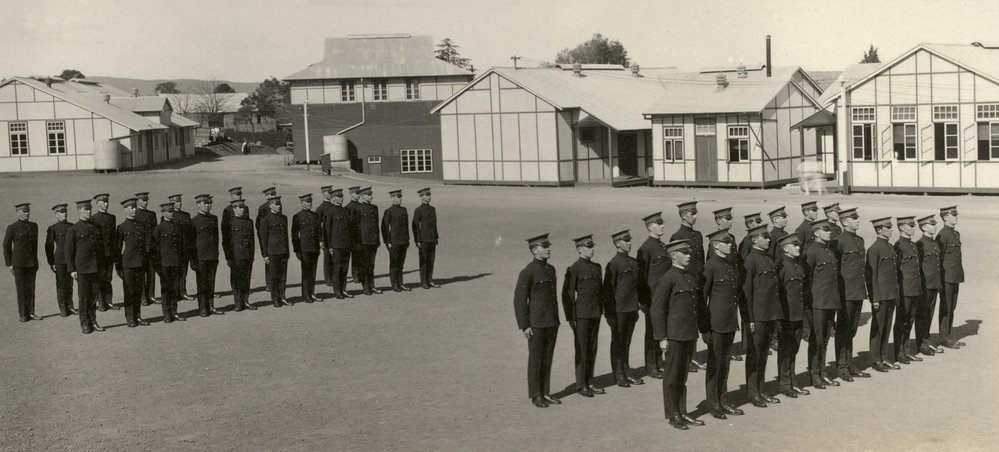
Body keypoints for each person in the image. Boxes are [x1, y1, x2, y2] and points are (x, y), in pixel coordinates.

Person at [651, 239, 704, 430]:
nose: (689, 256)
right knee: (672, 377)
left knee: (682, 376)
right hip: (675, 335)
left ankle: (683, 412)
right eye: (685, 253)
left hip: (688, 334)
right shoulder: (668, 278)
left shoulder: (689, 276)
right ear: (674, 256)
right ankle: (673, 414)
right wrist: (662, 337)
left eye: (689, 252)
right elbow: (657, 309)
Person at [700, 229, 744, 419]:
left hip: (729, 322)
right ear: (716, 245)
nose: (730, 245)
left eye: (730, 242)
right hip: (715, 324)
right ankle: (713, 403)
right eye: (726, 242)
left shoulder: (730, 265)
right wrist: (704, 328)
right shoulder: (710, 266)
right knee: (715, 364)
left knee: (725, 364)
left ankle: (723, 399)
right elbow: (702, 299)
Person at [513, 233, 560, 408]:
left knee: (548, 358)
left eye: (548, 246)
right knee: (536, 359)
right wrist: (524, 325)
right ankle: (536, 395)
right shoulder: (528, 272)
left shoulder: (551, 269)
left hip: (551, 321)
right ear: (534, 250)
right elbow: (519, 300)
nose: (548, 249)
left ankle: (546, 392)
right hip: (536, 324)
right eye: (544, 247)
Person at [742, 224, 782, 408]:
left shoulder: (768, 258)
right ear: (754, 240)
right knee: (755, 355)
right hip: (757, 316)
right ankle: (753, 392)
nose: (768, 240)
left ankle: (762, 389)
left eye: (768, 237)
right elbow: (747, 292)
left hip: (769, 314)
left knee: (764, 354)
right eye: (764, 238)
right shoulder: (751, 261)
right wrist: (749, 318)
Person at [561, 234, 604, 398]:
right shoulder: (574, 269)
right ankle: (581, 385)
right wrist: (570, 317)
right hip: (582, 315)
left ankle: (590, 381)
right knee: (582, 350)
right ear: (580, 249)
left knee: (592, 348)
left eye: (592, 247)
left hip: (595, 313)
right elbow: (568, 294)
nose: (592, 250)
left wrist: (601, 310)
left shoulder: (597, 267)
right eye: (588, 247)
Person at [602, 229, 644, 388]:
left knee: (627, 342)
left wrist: (638, 305)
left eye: (629, 240)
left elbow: (638, 286)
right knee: (618, 343)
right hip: (619, 311)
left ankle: (626, 371)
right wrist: (610, 314)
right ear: (618, 244)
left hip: (632, 309)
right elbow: (608, 291)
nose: (629, 243)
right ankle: (618, 374)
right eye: (626, 241)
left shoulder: (633, 263)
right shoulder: (613, 264)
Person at [669, 201, 707, 372]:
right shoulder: (677, 237)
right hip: (685, 284)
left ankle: (694, 356)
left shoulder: (698, 235)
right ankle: (688, 358)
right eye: (692, 214)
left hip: (698, 283)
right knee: (687, 321)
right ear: (684, 216)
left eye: (695, 213)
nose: (695, 216)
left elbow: (701, 260)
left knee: (696, 319)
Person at [804, 218, 840, 389]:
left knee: (825, 339)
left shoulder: (829, 251)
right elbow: (807, 280)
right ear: (816, 232)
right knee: (816, 339)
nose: (829, 232)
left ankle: (822, 372)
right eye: (825, 230)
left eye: (829, 230)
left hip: (830, 301)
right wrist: (809, 304)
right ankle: (814, 374)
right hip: (818, 302)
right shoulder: (811, 252)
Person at [835, 207, 871, 382]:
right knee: (843, 330)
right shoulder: (838, 242)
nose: (857, 221)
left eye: (857, 218)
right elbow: (836, 270)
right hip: (846, 292)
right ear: (844, 222)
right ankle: (842, 367)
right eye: (853, 218)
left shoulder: (859, 240)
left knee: (852, 330)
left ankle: (849, 364)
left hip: (858, 291)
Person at [775, 234, 809, 398]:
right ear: (785, 248)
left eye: (798, 245)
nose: (798, 247)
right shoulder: (781, 267)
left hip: (798, 314)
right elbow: (777, 294)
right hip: (786, 316)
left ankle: (793, 381)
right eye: (794, 245)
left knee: (794, 350)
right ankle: (785, 384)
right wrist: (780, 318)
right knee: (785, 351)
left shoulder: (799, 266)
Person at [636, 212, 669, 378]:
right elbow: (641, 276)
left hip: (664, 296)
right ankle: (651, 366)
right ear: (650, 227)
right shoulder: (645, 248)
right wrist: (643, 300)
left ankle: (660, 362)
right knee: (652, 331)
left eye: (662, 223)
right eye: (658, 224)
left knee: (662, 329)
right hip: (652, 298)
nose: (662, 226)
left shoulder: (662, 246)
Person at [65, 200, 106, 333]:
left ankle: (93, 321)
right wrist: (72, 269)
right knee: (83, 297)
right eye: (86, 209)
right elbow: (69, 251)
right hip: (82, 269)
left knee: (94, 296)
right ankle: (84, 323)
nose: (89, 212)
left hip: (95, 268)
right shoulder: (73, 229)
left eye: (90, 209)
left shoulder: (96, 227)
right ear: (79, 211)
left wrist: (102, 266)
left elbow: (100, 249)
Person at [866, 217, 900, 372]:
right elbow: (871, 276)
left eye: (891, 227)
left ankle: (884, 357)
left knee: (887, 327)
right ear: (879, 230)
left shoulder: (890, 247)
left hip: (891, 294)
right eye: (888, 228)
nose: (891, 230)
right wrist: (875, 298)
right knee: (878, 328)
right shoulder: (874, 249)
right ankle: (875, 360)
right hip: (881, 296)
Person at [114, 198, 151, 327]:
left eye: (135, 207)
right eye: (131, 208)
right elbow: (117, 249)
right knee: (129, 292)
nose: (134, 210)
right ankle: (130, 317)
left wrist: (145, 259)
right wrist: (118, 267)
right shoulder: (121, 227)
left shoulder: (142, 226)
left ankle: (138, 315)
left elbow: (146, 244)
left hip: (140, 263)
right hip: (128, 265)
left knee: (138, 291)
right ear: (125, 210)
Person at [893, 216, 923, 364]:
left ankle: (907, 351)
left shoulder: (913, 245)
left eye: (913, 225)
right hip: (905, 291)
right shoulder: (898, 246)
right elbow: (896, 272)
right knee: (901, 322)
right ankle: (899, 353)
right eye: (910, 225)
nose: (913, 228)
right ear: (901, 227)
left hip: (915, 289)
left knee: (910, 321)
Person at [4, 202, 40, 322]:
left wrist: (35, 261)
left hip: (31, 263)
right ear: (18, 213)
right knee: (21, 289)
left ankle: (31, 312)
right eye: (24, 211)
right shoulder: (12, 227)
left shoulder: (34, 226)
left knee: (31, 288)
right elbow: (6, 246)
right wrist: (9, 264)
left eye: (28, 211)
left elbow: (34, 246)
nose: (27, 213)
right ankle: (23, 314)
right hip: (19, 264)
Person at [152, 202, 186, 323]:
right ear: (163, 213)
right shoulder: (159, 228)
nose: (171, 214)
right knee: (166, 290)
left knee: (175, 288)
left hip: (176, 263)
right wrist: (158, 266)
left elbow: (181, 246)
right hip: (165, 264)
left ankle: (174, 311)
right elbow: (154, 249)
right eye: (169, 212)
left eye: (172, 212)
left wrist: (181, 262)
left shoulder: (177, 227)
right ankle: (167, 314)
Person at [936, 206, 965, 349]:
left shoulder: (955, 234)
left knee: (952, 307)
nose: (957, 216)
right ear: (946, 217)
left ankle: (948, 335)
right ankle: (944, 338)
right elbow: (939, 259)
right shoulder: (942, 235)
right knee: (946, 307)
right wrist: (940, 280)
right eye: (954, 215)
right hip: (946, 277)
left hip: (955, 276)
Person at [915, 215, 944, 356]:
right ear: (923, 227)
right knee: (922, 315)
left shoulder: (934, 243)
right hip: (925, 286)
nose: (935, 226)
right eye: (932, 224)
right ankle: (921, 343)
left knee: (929, 314)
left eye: (935, 224)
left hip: (934, 284)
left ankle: (926, 339)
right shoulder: (919, 245)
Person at [191, 194, 223, 316]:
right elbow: (191, 243)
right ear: (198, 205)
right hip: (200, 257)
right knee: (202, 284)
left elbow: (216, 237)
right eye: (205, 203)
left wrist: (216, 254)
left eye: (209, 203)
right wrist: (193, 260)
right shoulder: (194, 221)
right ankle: (203, 308)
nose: (207, 206)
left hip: (212, 256)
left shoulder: (214, 218)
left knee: (211, 283)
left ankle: (211, 305)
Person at [222, 200, 256, 312]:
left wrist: (252, 255)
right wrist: (228, 257)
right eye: (239, 208)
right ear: (234, 209)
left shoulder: (249, 222)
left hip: (247, 255)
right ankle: (238, 303)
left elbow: (252, 240)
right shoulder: (229, 223)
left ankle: (245, 301)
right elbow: (226, 242)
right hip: (236, 256)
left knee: (246, 279)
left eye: (243, 208)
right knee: (236, 280)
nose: (242, 210)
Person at [259, 195, 292, 307]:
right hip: (272, 252)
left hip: (283, 251)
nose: (279, 206)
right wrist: (265, 255)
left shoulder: (284, 218)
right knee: (274, 277)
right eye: (276, 204)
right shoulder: (266, 220)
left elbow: (285, 236)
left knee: (283, 277)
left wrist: (287, 251)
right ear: (270, 205)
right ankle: (275, 299)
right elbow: (264, 239)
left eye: (279, 204)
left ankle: (283, 297)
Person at [45, 204, 76, 317]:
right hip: (59, 261)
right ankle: (63, 308)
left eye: (65, 212)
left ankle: (70, 306)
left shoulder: (72, 226)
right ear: (56, 215)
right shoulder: (53, 228)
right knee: (61, 285)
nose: (64, 214)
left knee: (70, 284)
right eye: (62, 212)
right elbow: (49, 247)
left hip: (71, 260)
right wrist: (51, 262)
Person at [292, 193, 322, 302]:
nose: (310, 203)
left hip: (314, 247)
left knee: (313, 272)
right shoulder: (298, 216)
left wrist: (320, 242)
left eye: (310, 201)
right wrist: (297, 250)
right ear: (302, 203)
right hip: (304, 248)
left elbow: (319, 231)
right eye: (307, 202)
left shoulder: (315, 216)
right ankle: (305, 295)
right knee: (306, 272)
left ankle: (311, 292)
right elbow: (294, 235)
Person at [90, 193, 119, 311]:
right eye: (103, 202)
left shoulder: (112, 217)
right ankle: (101, 303)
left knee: (108, 278)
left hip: (110, 253)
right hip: (99, 254)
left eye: (107, 202)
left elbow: (114, 237)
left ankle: (109, 301)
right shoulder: (93, 219)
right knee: (100, 278)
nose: (106, 204)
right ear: (98, 204)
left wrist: (115, 253)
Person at [324, 189, 353, 299]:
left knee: (344, 269)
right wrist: (329, 246)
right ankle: (337, 291)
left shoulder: (345, 211)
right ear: (333, 198)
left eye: (342, 197)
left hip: (346, 244)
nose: (341, 199)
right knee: (337, 269)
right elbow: (327, 231)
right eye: (339, 197)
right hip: (336, 245)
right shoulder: (330, 212)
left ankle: (343, 289)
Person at [381, 190, 411, 292]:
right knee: (394, 264)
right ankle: (394, 284)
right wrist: (387, 241)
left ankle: (401, 283)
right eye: (398, 197)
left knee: (401, 264)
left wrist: (407, 238)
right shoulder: (389, 211)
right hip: (394, 241)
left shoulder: (404, 210)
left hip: (403, 240)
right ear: (393, 198)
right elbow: (384, 227)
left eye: (401, 196)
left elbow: (406, 226)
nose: (400, 199)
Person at [168, 194, 195, 301]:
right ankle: (175, 293)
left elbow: (191, 232)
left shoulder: (186, 215)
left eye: (180, 201)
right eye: (176, 202)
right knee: (174, 272)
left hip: (185, 248)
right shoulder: (169, 215)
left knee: (184, 271)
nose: (179, 204)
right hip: (174, 249)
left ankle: (183, 292)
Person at [412, 187, 440, 289]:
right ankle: (424, 282)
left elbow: (434, 224)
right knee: (423, 261)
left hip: (432, 238)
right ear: (422, 197)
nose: (429, 197)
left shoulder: (432, 209)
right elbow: (415, 226)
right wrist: (417, 240)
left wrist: (436, 237)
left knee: (431, 261)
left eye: (430, 194)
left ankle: (430, 280)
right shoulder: (418, 210)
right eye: (427, 195)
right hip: (423, 239)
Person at [134, 193, 159, 306]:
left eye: (146, 200)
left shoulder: (152, 214)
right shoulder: (136, 214)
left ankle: (151, 295)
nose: (145, 202)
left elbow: (155, 231)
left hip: (152, 248)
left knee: (151, 272)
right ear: (138, 201)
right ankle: (143, 296)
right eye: (143, 200)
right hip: (141, 248)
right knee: (141, 273)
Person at [357, 187, 381, 295]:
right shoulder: (359, 208)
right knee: (364, 265)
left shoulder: (374, 208)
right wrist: (358, 242)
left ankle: (372, 285)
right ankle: (366, 286)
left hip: (373, 241)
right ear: (362, 196)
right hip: (363, 241)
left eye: (371, 195)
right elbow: (355, 227)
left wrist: (377, 239)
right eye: (368, 195)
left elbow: (376, 225)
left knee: (371, 265)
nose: (370, 197)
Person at [257, 187, 278, 292]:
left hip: (276, 239)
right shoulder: (263, 208)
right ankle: (269, 284)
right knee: (268, 262)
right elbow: (259, 225)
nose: (273, 196)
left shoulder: (278, 204)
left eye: (274, 194)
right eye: (271, 194)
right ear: (266, 196)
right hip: (267, 238)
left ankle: (276, 283)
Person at [315, 186, 335, 287]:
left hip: (334, 236)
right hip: (326, 237)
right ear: (323, 193)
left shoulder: (333, 206)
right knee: (327, 258)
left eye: (331, 192)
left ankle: (334, 277)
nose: (331, 194)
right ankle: (328, 278)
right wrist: (320, 240)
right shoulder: (320, 209)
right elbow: (318, 226)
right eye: (329, 192)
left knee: (335, 258)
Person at [344, 186, 363, 284]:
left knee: (358, 256)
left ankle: (357, 275)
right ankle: (351, 275)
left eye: (359, 193)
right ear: (351, 194)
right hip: (351, 236)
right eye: (356, 193)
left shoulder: (361, 206)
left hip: (360, 235)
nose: (359, 195)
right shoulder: (348, 208)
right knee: (349, 257)